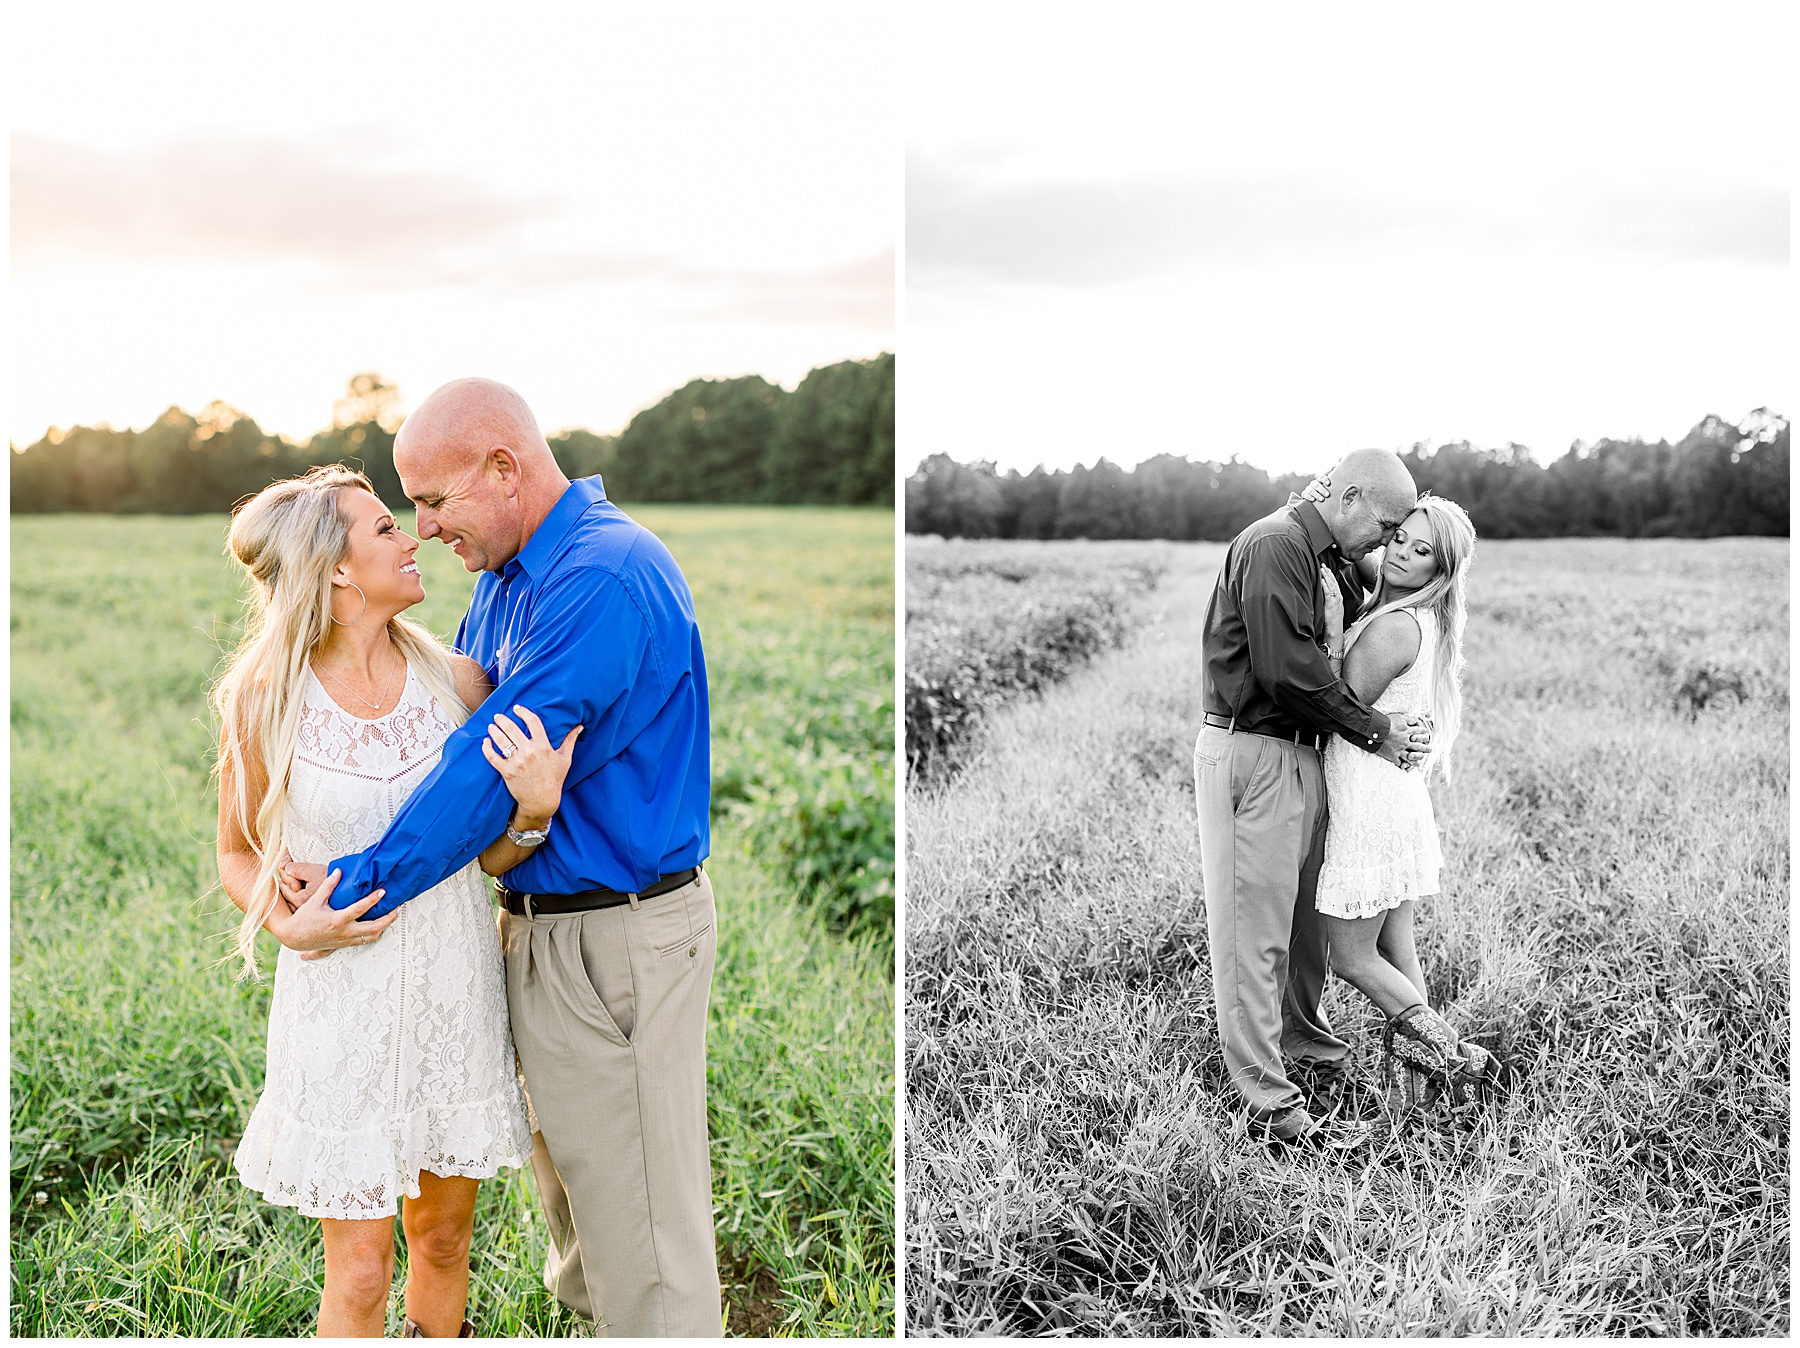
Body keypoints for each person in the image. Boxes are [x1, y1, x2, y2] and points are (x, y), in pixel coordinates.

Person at [279, 378, 722, 1338]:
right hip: (534, 930)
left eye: (436, 501)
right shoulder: (505, 584)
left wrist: (354, 884)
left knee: (645, 1238)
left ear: (504, 468)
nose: (427, 528)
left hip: (618, 935)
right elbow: (474, 772)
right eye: (411, 508)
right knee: (585, 1213)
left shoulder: (603, 576)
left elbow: (479, 767)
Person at [215, 465, 581, 1337]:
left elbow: (487, 857)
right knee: (361, 1270)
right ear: (336, 567)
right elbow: (236, 852)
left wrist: (532, 813)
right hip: (341, 1009)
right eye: (384, 527)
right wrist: (287, 922)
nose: (412, 536)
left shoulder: (457, 683)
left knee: (444, 1243)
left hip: (454, 1000)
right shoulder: (264, 698)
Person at [1193, 447, 1432, 1144]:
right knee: (1254, 935)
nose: (1385, 545)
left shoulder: (1327, 557)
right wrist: (1377, 730)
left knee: (1305, 931)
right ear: (1350, 497)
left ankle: (1310, 1051)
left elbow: (1370, 615)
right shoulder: (1276, 545)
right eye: (1385, 528)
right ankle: (1269, 1106)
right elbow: (1288, 671)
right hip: (1255, 750)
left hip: (1306, 754)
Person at [1312, 491, 1500, 1112]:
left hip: (1369, 803)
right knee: (1397, 949)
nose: (1399, 555)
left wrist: (1329, 632)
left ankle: (1457, 1063)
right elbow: (1359, 551)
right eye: (1398, 539)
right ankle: (1417, 1095)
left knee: (1351, 956)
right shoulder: (1413, 611)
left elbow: (1336, 707)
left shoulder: (1395, 625)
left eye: (1421, 551)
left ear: (1438, 571)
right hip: (1393, 797)